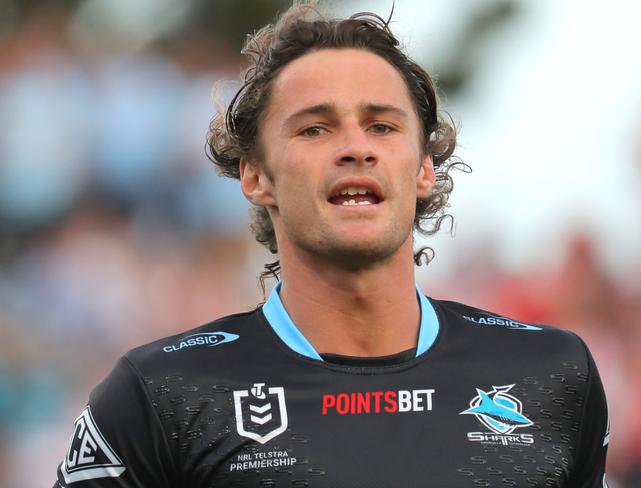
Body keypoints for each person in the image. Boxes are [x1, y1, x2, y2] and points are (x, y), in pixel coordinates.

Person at [54, 1, 609, 486]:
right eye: (314, 128)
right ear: (256, 176)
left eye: (383, 126)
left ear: (423, 169)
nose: (355, 148)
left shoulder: (553, 373)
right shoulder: (162, 395)